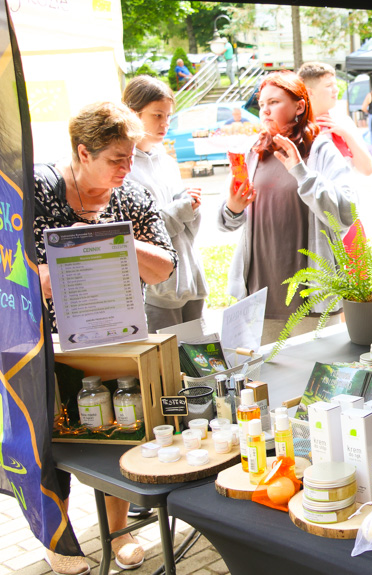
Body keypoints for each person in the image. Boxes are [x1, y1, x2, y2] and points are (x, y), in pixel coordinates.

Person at [33, 101, 177, 574]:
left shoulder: (131, 196)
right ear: (82, 152)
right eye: (117, 158)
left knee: (120, 430)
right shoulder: (35, 191)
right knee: (50, 443)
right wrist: (50, 270)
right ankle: (59, 539)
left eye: (131, 156)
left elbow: (164, 267)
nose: (127, 167)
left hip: (116, 339)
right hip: (44, 343)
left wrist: (116, 239)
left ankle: (119, 533)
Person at [216, 71, 354, 345]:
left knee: (310, 380)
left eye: (274, 102)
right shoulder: (253, 151)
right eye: (262, 103)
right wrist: (233, 206)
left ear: (299, 106)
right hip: (260, 295)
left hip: (310, 299)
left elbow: (345, 213)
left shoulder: (320, 149)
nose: (265, 110)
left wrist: (302, 173)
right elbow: (226, 221)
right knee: (267, 382)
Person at [123, 75, 209, 332]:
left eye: (168, 116)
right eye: (157, 115)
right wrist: (180, 209)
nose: (165, 124)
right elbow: (138, 233)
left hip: (189, 280)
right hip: (158, 289)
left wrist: (192, 207)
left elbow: (187, 228)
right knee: (168, 364)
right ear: (133, 114)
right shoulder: (124, 167)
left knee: (197, 359)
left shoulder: (167, 162)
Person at [298, 62, 372, 176]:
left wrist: (345, 134)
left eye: (335, 84)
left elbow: (367, 169)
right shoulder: (297, 126)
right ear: (310, 92)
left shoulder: (342, 121)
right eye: (329, 86)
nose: (336, 90)